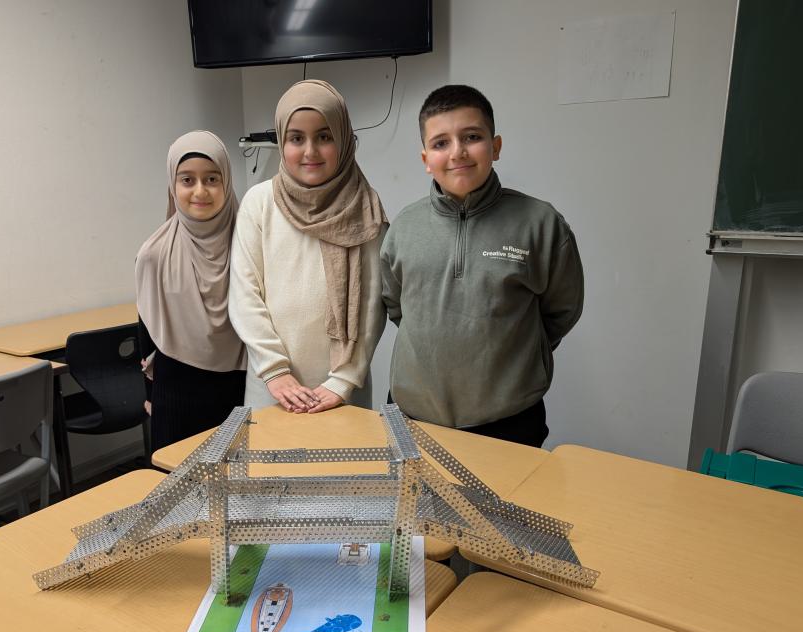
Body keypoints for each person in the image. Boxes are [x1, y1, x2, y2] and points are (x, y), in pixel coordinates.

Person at [380, 85, 584, 447]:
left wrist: (520, 351)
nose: (457, 152)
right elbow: (397, 306)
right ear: (426, 158)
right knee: (411, 488)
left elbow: (562, 309)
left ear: (496, 146)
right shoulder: (404, 228)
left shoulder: (540, 224)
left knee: (508, 489)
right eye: (441, 143)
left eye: (471, 137)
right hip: (413, 415)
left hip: (510, 420)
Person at [230, 79, 387, 414]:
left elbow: (372, 303)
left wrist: (342, 382)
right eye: (296, 138)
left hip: (343, 393)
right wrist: (275, 371)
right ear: (281, 140)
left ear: (344, 139)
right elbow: (244, 295)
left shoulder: (365, 206)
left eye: (325, 137)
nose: (310, 151)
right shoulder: (259, 202)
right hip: (273, 389)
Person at [134, 131, 246, 452]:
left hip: (242, 390)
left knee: (241, 479)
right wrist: (149, 395)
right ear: (173, 185)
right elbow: (147, 333)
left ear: (227, 180)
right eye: (187, 180)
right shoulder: (154, 254)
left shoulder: (249, 245)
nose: (200, 190)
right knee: (180, 479)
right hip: (176, 396)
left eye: (212, 178)